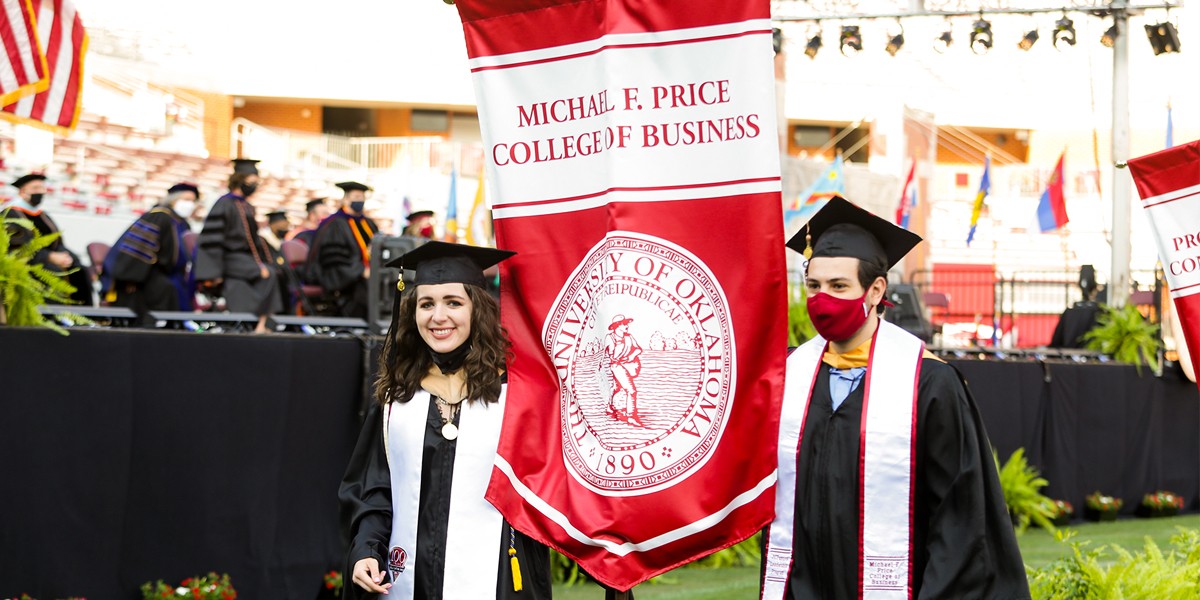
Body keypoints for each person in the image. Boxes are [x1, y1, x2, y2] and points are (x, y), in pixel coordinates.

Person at [762, 197, 1029, 600]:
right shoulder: (792, 376)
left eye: (838, 286)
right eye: (813, 286)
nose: (821, 299)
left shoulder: (928, 383)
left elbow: (959, 515)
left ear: (875, 290)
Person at [339, 241, 551, 599]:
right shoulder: (396, 399)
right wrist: (365, 551)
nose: (438, 316)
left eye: (453, 302)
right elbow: (372, 492)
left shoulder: (514, 397)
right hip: (408, 579)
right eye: (426, 304)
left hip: (497, 578)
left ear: (478, 309)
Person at [193, 158, 282, 333]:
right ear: (240, 179)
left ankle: (260, 323)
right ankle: (261, 324)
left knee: (272, 271)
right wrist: (213, 273)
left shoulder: (246, 206)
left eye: (256, 182)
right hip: (228, 258)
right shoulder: (224, 204)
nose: (254, 185)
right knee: (266, 273)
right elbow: (212, 239)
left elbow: (253, 240)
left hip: (244, 259)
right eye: (252, 181)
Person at [100, 183, 198, 321]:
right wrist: (131, 278)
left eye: (193, 201)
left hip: (172, 276)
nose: (190, 204)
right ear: (173, 199)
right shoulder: (159, 216)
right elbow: (139, 249)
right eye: (186, 199)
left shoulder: (182, 223)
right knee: (166, 289)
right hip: (146, 275)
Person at [2, 173, 93, 306]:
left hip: (52, 258)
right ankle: (54, 317)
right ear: (22, 191)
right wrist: (49, 257)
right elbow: (18, 247)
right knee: (51, 271)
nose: (39, 192)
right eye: (35, 188)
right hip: (29, 262)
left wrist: (66, 257)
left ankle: (84, 317)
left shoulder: (43, 215)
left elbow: (57, 241)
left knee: (80, 269)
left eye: (42, 188)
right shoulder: (11, 214)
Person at [306, 181, 379, 318]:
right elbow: (333, 256)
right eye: (356, 197)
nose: (360, 201)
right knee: (364, 287)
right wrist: (360, 270)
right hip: (342, 274)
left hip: (367, 272)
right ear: (346, 199)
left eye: (362, 198)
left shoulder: (368, 224)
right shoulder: (335, 223)